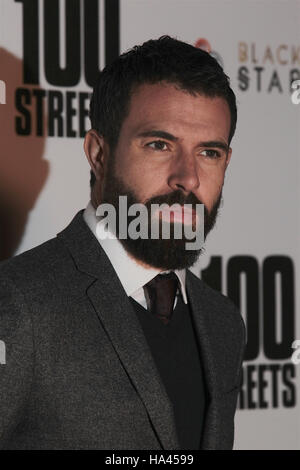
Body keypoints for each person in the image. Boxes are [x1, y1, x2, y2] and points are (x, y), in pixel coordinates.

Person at [0, 36, 246, 450]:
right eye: (159, 145)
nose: (187, 178)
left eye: (209, 152)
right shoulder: (17, 302)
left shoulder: (223, 323)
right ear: (98, 154)